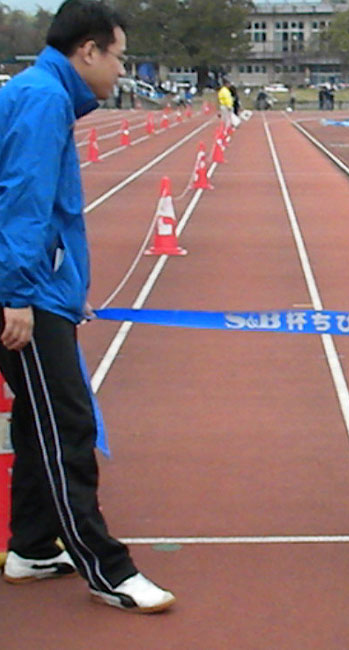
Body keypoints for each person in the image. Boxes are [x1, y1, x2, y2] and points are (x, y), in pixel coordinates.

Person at [0, 0, 175, 612]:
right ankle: (108, 568)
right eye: (120, 57)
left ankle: (31, 547)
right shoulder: (44, 99)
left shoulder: (39, 93)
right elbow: (23, 200)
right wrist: (19, 294)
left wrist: (63, 288)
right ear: (89, 51)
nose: (122, 71)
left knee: (37, 418)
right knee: (68, 424)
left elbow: (44, 211)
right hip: (19, 292)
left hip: (37, 287)